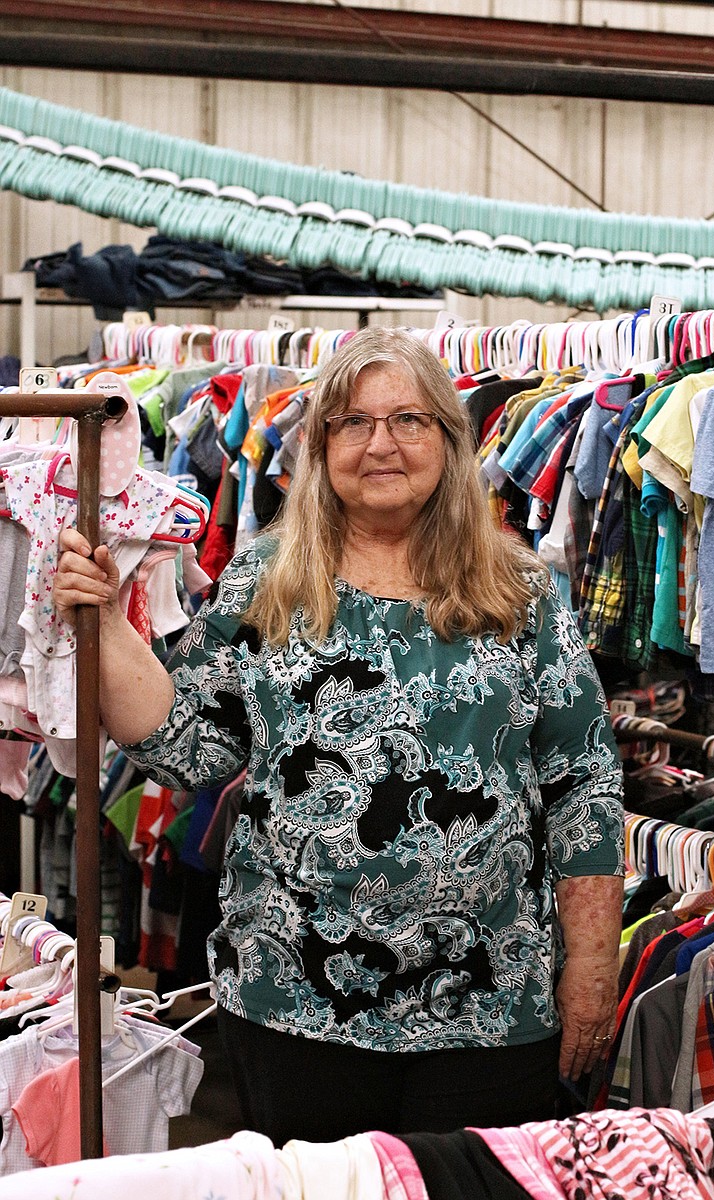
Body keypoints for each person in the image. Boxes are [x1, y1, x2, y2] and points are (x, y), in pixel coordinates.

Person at [54, 327, 625, 1146]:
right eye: (351, 422)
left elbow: (584, 788)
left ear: (450, 439)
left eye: (409, 421)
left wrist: (593, 970)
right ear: (320, 446)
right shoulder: (270, 578)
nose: (380, 443)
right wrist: (107, 622)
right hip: (295, 1001)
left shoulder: (522, 593)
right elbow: (187, 746)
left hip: (492, 1008)